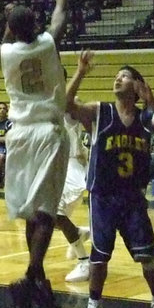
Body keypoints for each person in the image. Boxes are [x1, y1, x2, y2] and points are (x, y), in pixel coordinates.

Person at [65, 51, 154, 308]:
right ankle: (93, 307)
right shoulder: (99, 111)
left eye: (125, 75)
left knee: (147, 257)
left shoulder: (145, 120)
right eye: (117, 75)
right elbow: (66, 105)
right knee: (100, 255)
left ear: (138, 87)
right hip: (102, 195)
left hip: (132, 198)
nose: (118, 78)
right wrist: (80, 72)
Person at [0, 0, 71, 308]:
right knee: (45, 210)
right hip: (46, 132)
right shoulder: (47, 44)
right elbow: (61, 10)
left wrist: (10, 18)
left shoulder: (5, 52)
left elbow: (12, 32)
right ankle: (29, 278)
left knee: (31, 211)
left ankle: (39, 282)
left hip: (18, 134)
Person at [59, 115, 94, 283]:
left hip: (70, 168)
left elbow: (75, 101)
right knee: (46, 218)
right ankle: (78, 233)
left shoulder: (66, 111)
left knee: (53, 213)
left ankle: (84, 262)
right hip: (55, 167)